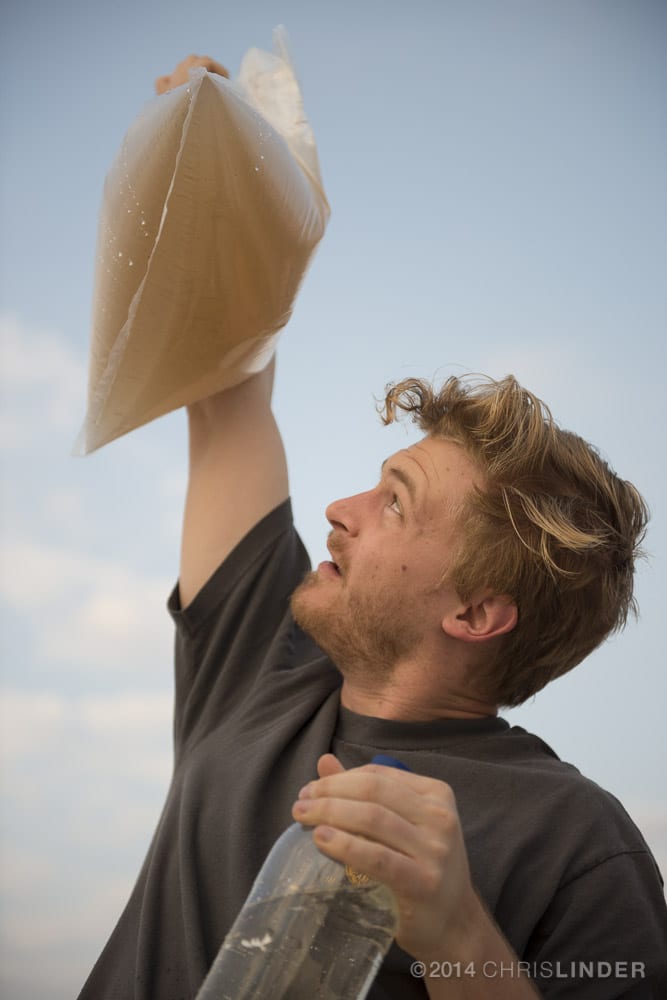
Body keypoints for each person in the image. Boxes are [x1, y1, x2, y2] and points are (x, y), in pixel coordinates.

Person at [78, 57, 667, 1000]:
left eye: (395, 501)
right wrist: (222, 166)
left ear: (477, 611)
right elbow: (223, 392)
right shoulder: (260, 669)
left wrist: (458, 933)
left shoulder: (575, 841)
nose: (339, 511)